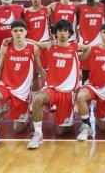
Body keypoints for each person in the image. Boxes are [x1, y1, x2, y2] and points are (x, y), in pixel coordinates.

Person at [27, 20, 90, 149]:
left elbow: (89, 48)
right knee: (37, 98)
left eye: (65, 31)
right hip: (52, 89)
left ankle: (68, 116)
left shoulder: (75, 46)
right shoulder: (51, 46)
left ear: (69, 33)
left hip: (67, 93)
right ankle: (38, 134)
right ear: (56, 33)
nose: (62, 33)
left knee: (60, 131)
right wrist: (13, 39)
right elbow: (35, 43)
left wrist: (80, 58)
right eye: (60, 30)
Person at [0, 20, 44, 150]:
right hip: (6, 86)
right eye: (15, 31)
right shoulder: (5, 46)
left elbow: (40, 70)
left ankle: (25, 116)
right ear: (11, 32)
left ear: (26, 32)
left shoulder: (33, 48)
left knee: (18, 129)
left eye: (21, 30)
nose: (18, 33)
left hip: (22, 93)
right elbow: (0, 67)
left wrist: (49, 86)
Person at [76, 23, 105, 141]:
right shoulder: (93, 48)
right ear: (100, 34)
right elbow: (78, 57)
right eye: (104, 32)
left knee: (103, 128)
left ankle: (100, 109)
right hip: (93, 86)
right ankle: (86, 126)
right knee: (80, 96)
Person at [23, 0, 51, 90]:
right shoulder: (25, 12)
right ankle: (34, 99)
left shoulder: (47, 10)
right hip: (31, 45)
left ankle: (46, 97)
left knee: (46, 72)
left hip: (44, 45)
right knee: (33, 74)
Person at [78, 0, 105, 84]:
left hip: (99, 42)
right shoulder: (80, 7)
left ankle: (99, 92)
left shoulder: (102, 6)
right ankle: (85, 90)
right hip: (85, 42)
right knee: (85, 70)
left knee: (99, 69)